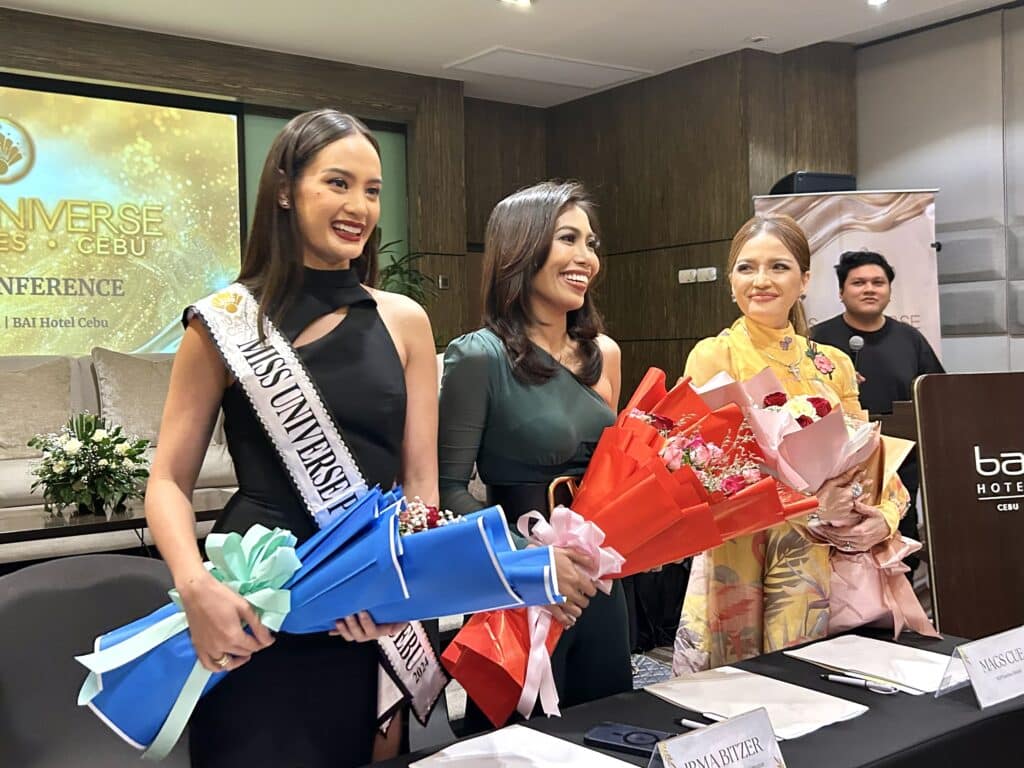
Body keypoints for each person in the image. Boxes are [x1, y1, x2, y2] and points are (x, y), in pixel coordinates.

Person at [145, 109, 439, 767]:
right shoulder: (219, 324)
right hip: (252, 608)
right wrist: (196, 588)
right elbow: (166, 481)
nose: (358, 206)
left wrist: (406, 594)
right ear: (284, 189)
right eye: (337, 183)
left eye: (371, 189)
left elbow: (421, 485)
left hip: (367, 609)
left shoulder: (406, 322)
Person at [672, 214, 911, 674]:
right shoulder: (714, 354)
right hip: (740, 550)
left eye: (778, 267)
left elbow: (870, 461)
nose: (761, 281)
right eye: (746, 268)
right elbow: (697, 468)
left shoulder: (832, 363)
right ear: (730, 280)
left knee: (813, 691)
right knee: (736, 695)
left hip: (822, 552)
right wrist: (799, 501)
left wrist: (881, 516)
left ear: (804, 279)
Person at [439, 181, 631, 729]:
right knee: (515, 736)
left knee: (606, 726)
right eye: (567, 238)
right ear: (521, 249)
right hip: (520, 574)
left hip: (599, 573)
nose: (586, 258)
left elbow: (612, 470)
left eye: (591, 243)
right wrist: (528, 555)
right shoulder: (477, 357)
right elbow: (446, 487)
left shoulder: (604, 355)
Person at [810, 250, 944, 574]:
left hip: (899, 469)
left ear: (888, 290)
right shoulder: (817, 340)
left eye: (877, 282)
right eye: (858, 283)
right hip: (835, 473)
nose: (869, 288)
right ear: (841, 292)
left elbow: (937, 393)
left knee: (899, 557)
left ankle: (900, 618)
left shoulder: (910, 339)